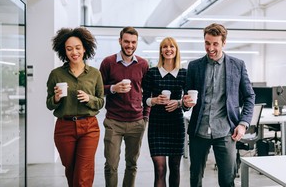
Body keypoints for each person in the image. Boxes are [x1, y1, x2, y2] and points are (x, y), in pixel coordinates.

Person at [183, 23, 255, 187]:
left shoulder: (237, 65)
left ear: (224, 42)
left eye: (215, 43)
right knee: (195, 179)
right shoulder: (194, 66)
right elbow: (187, 98)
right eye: (207, 43)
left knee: (227, 181)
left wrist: (243, 124)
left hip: (225, 132)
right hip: (199, 131)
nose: (210, 48)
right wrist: (186, 104)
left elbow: (250, 96)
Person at [46, 27, 104, 187]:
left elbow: (100, 101)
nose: (74, 52)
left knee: (83, 172)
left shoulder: (94, 74)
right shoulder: (56, 74)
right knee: (71, 169)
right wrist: (56, 98)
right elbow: (49, 104)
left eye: (78, 48)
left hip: (89, 127)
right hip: (64, 128)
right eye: (69, 49)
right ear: (64, 51)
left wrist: (89, 98)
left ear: (85, 48)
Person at [99, 26, 150, 187]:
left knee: (132, 164)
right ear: (120, 41)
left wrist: (146, 116)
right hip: (114, 121)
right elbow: (98, 89)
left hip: (136, 122)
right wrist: (113, 88)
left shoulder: (143, 64)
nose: (130, 45)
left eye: (133, 42)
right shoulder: (108, 62)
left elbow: (148, 92)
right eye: (126, 41)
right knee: (111, 165)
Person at [142, 37, 187, 187]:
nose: (168, 49)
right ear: (161, 51)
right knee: (160, 169)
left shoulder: (183, 73)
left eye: (172, 46)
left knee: (175, 167)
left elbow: (189, 102)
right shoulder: (152, 73)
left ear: (176, 50)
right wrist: (154, 101)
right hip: (157, 125)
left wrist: (179, 103)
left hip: (176, 125)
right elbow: (144, 99)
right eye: (165, 47)